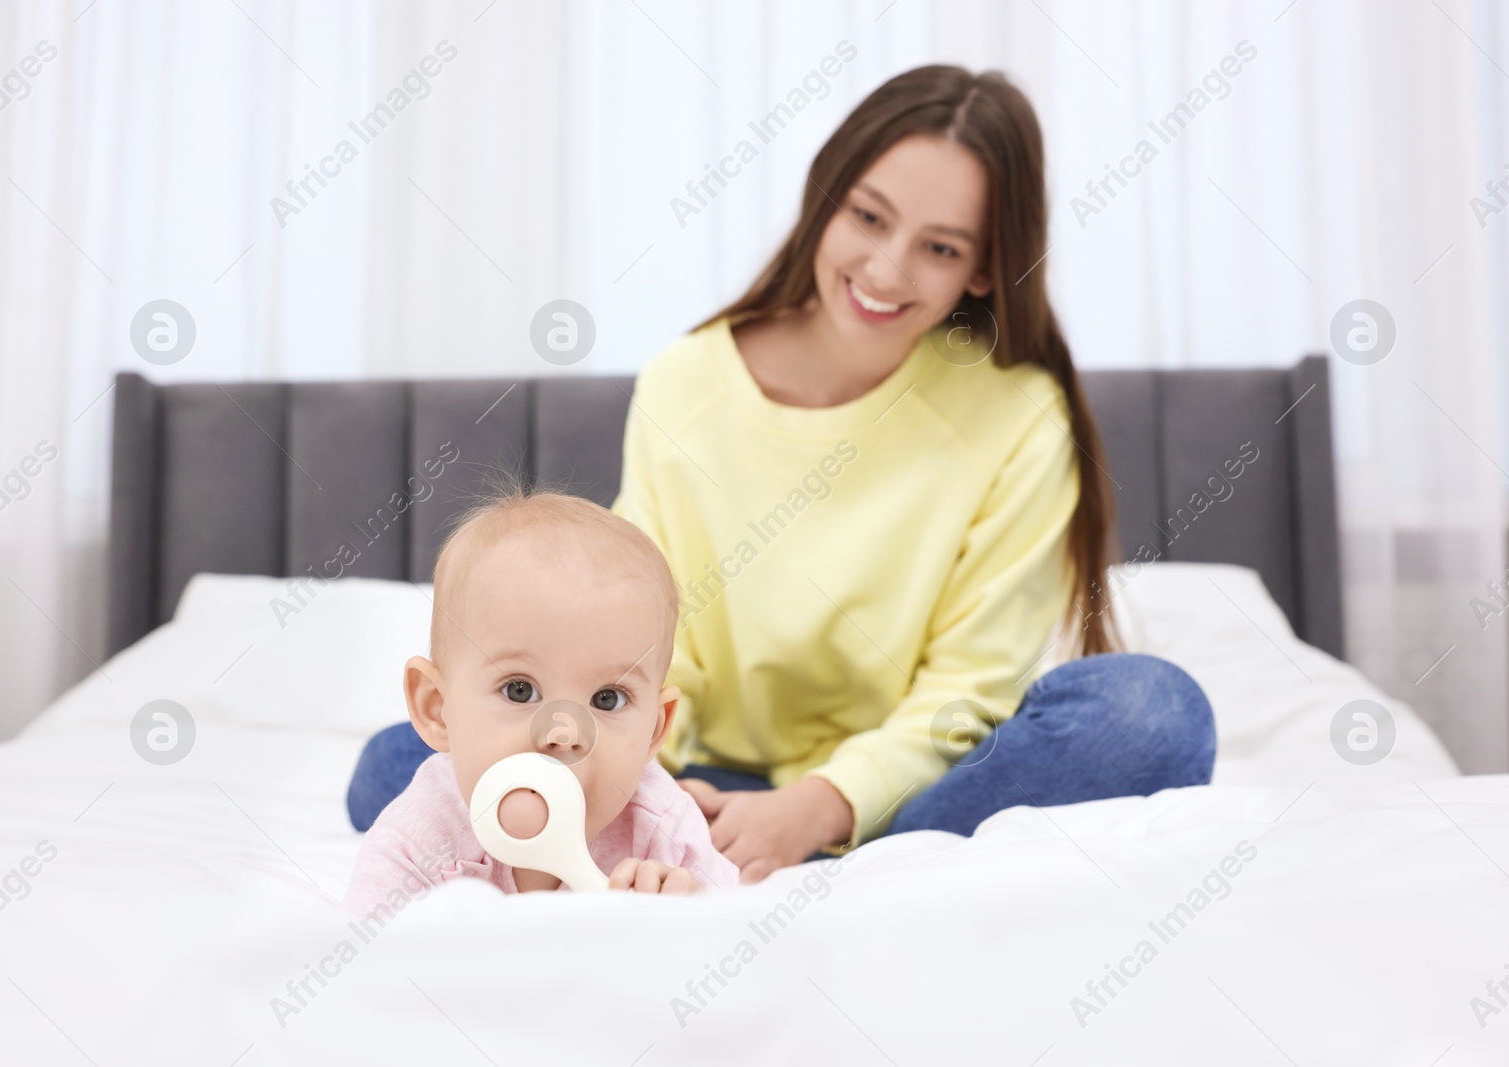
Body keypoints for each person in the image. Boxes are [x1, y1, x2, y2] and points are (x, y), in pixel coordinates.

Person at [347, 64, 1215, 884]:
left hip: (902, 789)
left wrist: (816, 806)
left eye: (940, 248)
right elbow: (635, 637)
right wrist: (649, 788)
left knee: (1150, 712)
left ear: (985, 267)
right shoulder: (689, 380)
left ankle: (838, 859)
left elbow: (970, 687)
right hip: (681, 770)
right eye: (868, 218)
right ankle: (689, 849)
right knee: (396, 762)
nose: (885, 269)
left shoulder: (1017, 415)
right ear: (825, 199)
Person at [343, 491, 737, 917]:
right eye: (519, 690)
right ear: (437, 708)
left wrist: (692, 918)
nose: (564, 733)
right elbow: (365, 960)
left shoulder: (664, 829)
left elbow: (741, 948)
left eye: (608, 699)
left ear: (655, 732)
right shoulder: (421, 835)